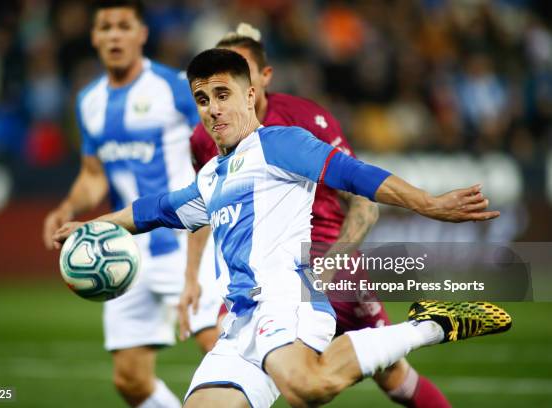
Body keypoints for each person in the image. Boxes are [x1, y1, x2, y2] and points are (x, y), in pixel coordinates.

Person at [52, 48, 511, 408]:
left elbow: (355, 174)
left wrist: (428, 203)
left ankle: (429, 325)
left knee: (306, 388)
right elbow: (155, 209)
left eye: (222, 94)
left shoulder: (279, 144)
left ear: (250, 94)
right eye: (202, 99)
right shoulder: (211, 176)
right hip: (241, 322)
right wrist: (91, 226)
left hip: (290, 300)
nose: (212, 109)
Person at [179, 23, 451, 407]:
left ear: (259, 79)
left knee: (391, 374)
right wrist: (192, 279)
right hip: (261, 273)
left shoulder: (306, 121)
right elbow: (202, 207)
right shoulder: (206, 136)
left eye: (236, 75)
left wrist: (327, 267)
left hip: (325, 253)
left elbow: (363, 201)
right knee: (226, 349)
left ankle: (426, 328)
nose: (220, 97)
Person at [41, 1, 220, 406]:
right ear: (94, 37)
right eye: (106, 27)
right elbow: (93, 174)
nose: (115, 35)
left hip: (188, 242)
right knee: (131, 380)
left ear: (142, 33)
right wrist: (67, 207)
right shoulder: (89, 101)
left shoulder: (176, 87)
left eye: (124, 26)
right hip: (125, 252)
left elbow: (214, 158)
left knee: (218, 346)